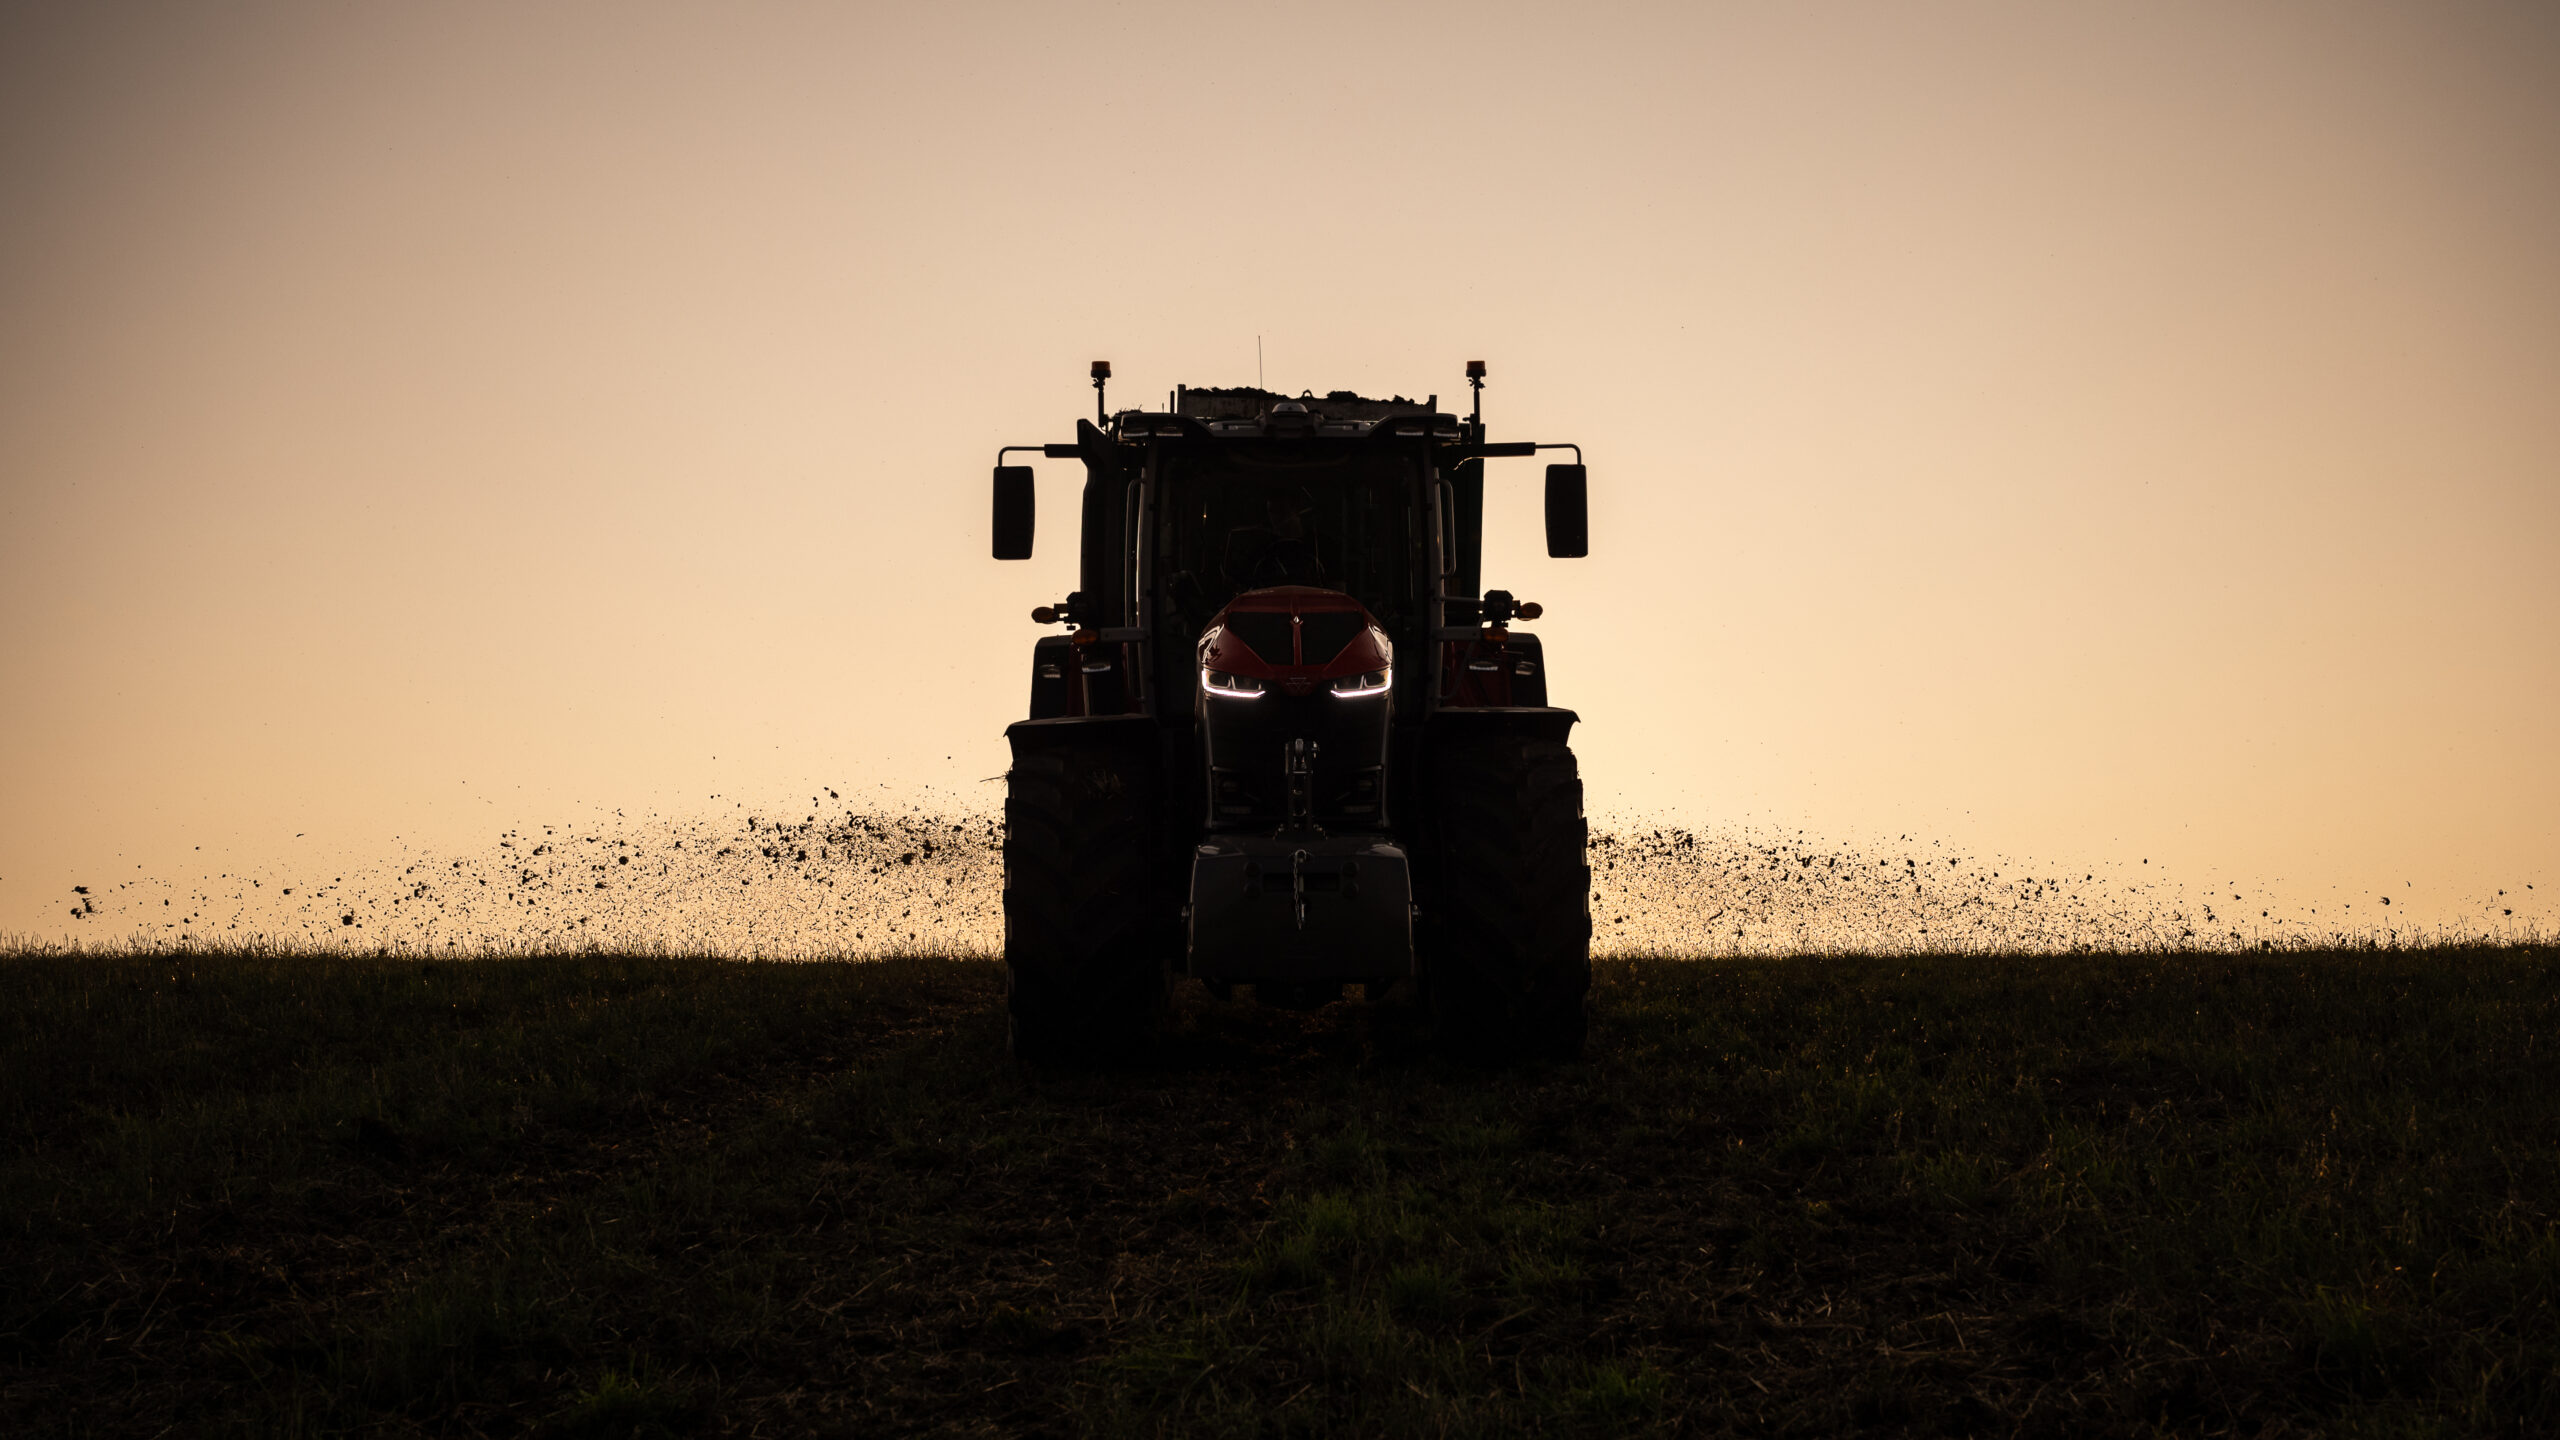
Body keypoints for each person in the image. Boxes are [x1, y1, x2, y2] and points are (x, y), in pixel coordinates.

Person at [1224, 494, 1326, 589]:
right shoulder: (1262, 551)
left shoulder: (1319, 545)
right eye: (1272, 512)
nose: (1276, 517)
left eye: (1282, 511)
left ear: (1297, 510)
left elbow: (1336, 590)